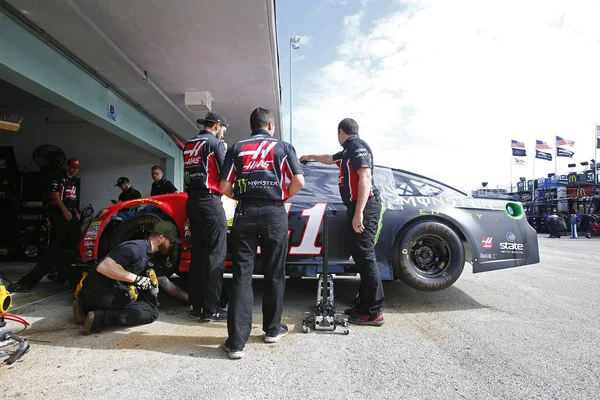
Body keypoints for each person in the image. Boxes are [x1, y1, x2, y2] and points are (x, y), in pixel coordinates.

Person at [219, 107, 305, 359]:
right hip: (274, 213)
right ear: (270, 126)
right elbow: (299, 181)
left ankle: (236, 343)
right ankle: (272, 330)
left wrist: (240, 196)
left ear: (251, 127)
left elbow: (224, 185)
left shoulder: (236, 147)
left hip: (245, 213)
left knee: (241, 275)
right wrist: (281, 196)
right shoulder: (283, 147)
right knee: (275, 273)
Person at [300, 118, 385, 326]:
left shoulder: (357, 146)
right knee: (359, 255)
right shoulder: (347, 150)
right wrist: (308, 156)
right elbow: (329, 158)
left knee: (365, 256)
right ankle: (363, 304)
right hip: (355, 206)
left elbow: (365, 177)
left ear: (341, 132)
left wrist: (359, 212)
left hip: (365, 206)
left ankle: (374, 312)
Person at [73, 221, 181, 334]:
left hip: (96, 293)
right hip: (100, 293)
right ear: (161, 238)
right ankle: (100, 319)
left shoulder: (145, 252)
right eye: (171, 242)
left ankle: (84, 310)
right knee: (150, 312)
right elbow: (104, 267)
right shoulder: (136, 249)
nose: (171, 246)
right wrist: (136, 279)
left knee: (141, 300)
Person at [8, 158, 83, 292]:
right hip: (60, 216)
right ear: (66, 166)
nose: (75, 170)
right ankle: (27, 282)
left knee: (75, 247)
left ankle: (63, 275)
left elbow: (72, 199)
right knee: (55, 250)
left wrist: (75, 211)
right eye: (72, 167)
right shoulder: (58, 177)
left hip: (71, 218)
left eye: (77, 168)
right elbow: (54, 195)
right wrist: (65, 210)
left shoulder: (74, 181)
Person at [184, 112, 229, 322]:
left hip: (191, 202)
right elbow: (226, 174)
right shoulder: (215, 144)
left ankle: (196, 306)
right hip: (210, 202)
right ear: (218, 126)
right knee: (216, 255)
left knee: (198, 255)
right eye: (223, 130)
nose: (223, 134)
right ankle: (212, 309)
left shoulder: (189, 144)